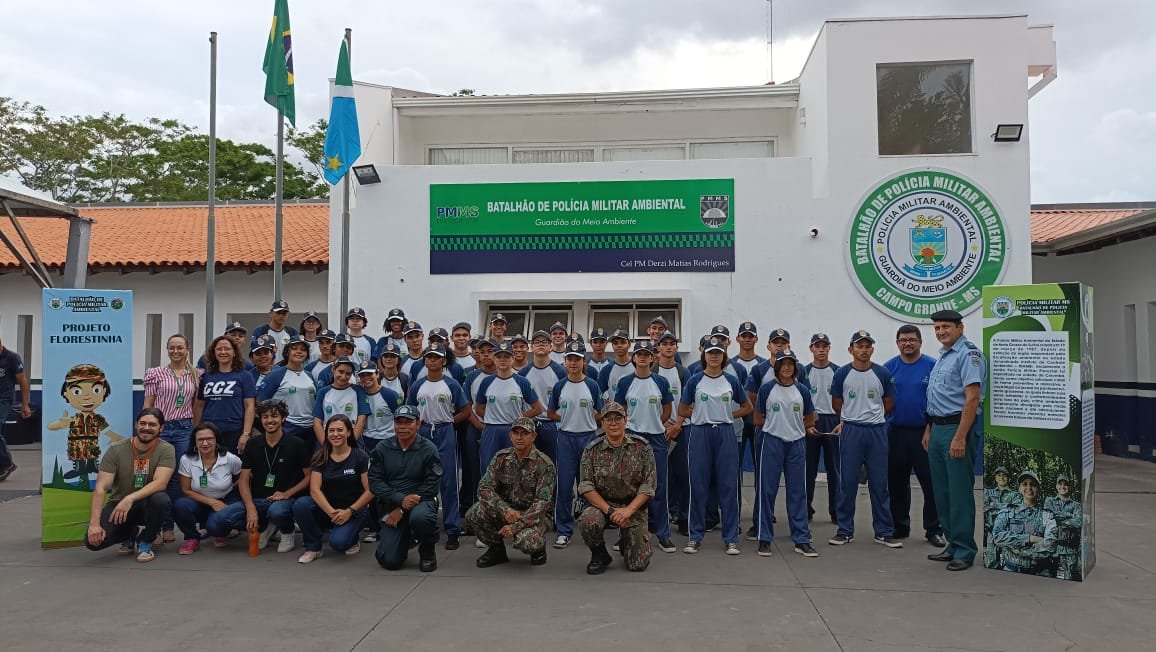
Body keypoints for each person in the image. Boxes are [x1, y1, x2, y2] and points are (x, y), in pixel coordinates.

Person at [677, 335, 753, 555]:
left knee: (728, 485)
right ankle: (695, 536)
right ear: (704, 355)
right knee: (698, 484)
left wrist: (728, 415)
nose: (714, 357)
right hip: (700, 433)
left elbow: (747, 407)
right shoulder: (695, 380)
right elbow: (682, 410)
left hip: (725, 433)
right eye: (710, 353)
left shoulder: (730, 381)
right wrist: (702, 412)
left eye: (718, 353)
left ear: (723, 356)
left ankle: (731, 538)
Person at [923, 309, 985, 571]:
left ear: (960, 327)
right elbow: (936, 397)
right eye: (937, 328)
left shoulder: (969, 355)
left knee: (958, 492)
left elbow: (972, 398)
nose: (941, 332)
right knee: (942, 491)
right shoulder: (943, 356)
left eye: (946, 327)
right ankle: (952, 542)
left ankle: (965, 549)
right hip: (938, 428)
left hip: (956, 428)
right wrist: (929, 429)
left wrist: (960, 436)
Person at [829, 330, 902, 549]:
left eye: (868, 346)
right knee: (848, 483)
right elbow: (836, 403)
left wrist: (872, 416)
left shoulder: (882, 373)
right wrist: (851, 418)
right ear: (851, 349)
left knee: (879, 484)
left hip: (876, 432)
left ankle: (883, 531)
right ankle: (844, 530)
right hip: (852, 431)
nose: (864, 350)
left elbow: (889, 402)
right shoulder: (842, 373)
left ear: (872, 349)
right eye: (859, 346)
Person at [213, 400, 311, 553]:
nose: (270, 420)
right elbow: (244, 480)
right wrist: (250, 508)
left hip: (285, 499)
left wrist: (287, 494)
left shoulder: (297, 443)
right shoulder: (252, 444)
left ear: (283, 418)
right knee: (218, 521)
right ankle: (266, 526)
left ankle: (287, 531)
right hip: (259, 499)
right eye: (265, 417)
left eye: (274, 416)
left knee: (277, 511)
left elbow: (309, 477)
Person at [84, 408, 176, 563]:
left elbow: (160, 483)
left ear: (161, 428)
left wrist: (130, 498)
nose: (146, 427)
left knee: (161, 500)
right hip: (118, 505)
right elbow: (101, 487)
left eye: (152, 425)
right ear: (136, 425)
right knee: (93, 543)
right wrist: (94, 524)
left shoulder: (166, 449)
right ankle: (128, 533)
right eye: (143, 423)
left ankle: (146, 540)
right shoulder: (116, 449)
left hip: (146, 504)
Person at [752, 351, 820, 558]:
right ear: (777, 367)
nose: (787, 367)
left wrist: (796, 428)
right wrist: (776, 426)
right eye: (783, 364)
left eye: (791, 364)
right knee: (767, 490)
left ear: (795, 367)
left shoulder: (802, 390)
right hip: (772, 442)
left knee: (798, 491)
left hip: (797, 444)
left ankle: (801, 539)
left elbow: (810, 417)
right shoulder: (766, 389)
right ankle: (764, 538)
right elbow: (757, 418)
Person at [883, 325, 946, 547]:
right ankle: (900, 525)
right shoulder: (888, 368)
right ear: (897, 342)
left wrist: (931, 428)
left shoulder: (933, 366)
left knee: (931, 484)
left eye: (912, 339)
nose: (907, 343)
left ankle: (934, 529)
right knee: (896, 483)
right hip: (895, 433)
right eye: (903, 340)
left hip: (925, 433)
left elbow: (939, 400)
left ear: (920, 342)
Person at [577, 401, 657, 574]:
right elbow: (585, 486)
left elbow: (648, 486)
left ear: (625, 421)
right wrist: (611, 511)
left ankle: (628, 539)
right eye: (608, 419)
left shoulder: (642, 448)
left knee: (637, 565)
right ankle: (600, 555)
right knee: (588, 520)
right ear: (602, 423)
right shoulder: (592, 450)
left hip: (633, 506)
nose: (613, 423)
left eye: (617, 419)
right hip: (603, 505)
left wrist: (628, 511)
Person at [468, 416, 557, 567]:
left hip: (534, 515)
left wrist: (515, 527)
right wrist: (505, 510)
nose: (519, 437)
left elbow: (542, 504)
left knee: (528, 542)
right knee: (474, 514)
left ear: (533, 436)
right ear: (510, 435)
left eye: (525, 433)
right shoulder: (501, 457)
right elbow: (484, 488)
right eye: (516, 433)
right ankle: (497, 551)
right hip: (507, 511)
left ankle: (539, 549)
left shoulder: (544, 464)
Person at [406, 344, 471, 549]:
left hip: (445, 431)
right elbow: (410, 410)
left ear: (444, 361)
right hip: (423, 432)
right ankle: (422, 526)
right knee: (420, 478)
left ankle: (452, 529)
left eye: (436, 357)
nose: (432, 360)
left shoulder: (451, 384)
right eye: (429, 357)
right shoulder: (417, 385)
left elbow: (466, 409)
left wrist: (451, 421)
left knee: (449, 480)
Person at [614, 342, 675, 553]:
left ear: (652, 358)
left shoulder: (660, 381)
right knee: (628, 488)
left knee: (658, 487)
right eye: (638, 354)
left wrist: (656, 423)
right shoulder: (625, 382)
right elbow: (619, 410)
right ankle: (625, 534)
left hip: (656, 438)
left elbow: (667, 408)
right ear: (633, 357)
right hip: (631, 437)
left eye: (646, 354)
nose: (642, 357)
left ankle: (662, 534)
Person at [142, 333, 200, 542]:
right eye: (171, 347)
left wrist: (195, 429)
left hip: (184, 428)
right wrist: (147, 427)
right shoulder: (156, 373)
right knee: (157, 476)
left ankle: (169, 526)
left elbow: (195, 405)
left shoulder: (195, 374)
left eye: (180, 347)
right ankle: (156, 526)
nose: (175, 351)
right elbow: (148, 402)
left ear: (187, 349)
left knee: (177, 478)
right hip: (161, 427)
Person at [369, 405, 441, 572]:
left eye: (408, 422)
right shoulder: (382, 449)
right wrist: (399, 501)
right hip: (392, 504)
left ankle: (427, 550)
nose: (402, 427)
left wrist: (403, 507)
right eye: (398, 422)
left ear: (418, 424)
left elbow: (432, 484)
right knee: (389, 561)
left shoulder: (428, 449)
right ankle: (406, 538)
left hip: (422, 501)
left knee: (421, 518)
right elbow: (375, 482)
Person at [293, 414, 374, 563]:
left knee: (339, 544)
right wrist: (332, 513)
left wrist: (349, 511)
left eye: (340, 430)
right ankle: (314, 548)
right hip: (328, 509)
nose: (335, 434)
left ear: (349, 432)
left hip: (353, 511)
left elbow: (370, 491)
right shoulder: (320, 456)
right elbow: (315, 490)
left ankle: (353, 538)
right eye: (331, 430)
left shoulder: (360, 457)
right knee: (301, 504)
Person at [548, 341, 603, 548]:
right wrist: (566, 419)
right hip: (565, 438)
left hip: (588, 438)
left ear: (583, 361)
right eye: (569, 359)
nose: (573, 363)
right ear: (565, 362)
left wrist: (588, 421)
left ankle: (592, 526)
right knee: (563, 485)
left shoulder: (592, 385)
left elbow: (601, 412)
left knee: (589, 485)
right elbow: (551, 412)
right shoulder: (560, 386)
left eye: (577, 359)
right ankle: (564, 529)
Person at [47, 364, 125, 486]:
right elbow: (50, 427)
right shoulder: (73, 418)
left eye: (96, 390)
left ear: (104, 392)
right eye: (77, 391)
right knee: (78, 455)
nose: (87, 397)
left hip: (91, 442)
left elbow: (104, 428)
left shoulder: (98, 418)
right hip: (76, 443)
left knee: (92, 454)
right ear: (67, 394)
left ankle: (93, 467)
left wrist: (114, 436)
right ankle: (79, 469)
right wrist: (61, 423)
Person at [173, 423, 243, 554]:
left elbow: (244, 477)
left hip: (225, 499)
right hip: (199, 500)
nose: (205, 443)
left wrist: (232, 499)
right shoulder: (186, 459)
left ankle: (219, 531)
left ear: (216, 440)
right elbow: (186, 490)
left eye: (209, 439)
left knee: (215, 527)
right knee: (180, 505)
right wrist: (212, 502)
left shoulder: (230, 459)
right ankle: (192, 538)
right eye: (200, 439)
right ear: (194, 441)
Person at [476, 341, 543, 470]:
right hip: (491, 430)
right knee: (488, 468)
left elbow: (537, 409)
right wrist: (493, 416)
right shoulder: (487, 382)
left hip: (514, 430)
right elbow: (479, 408)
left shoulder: (521, 382)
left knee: (514, 469)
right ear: (494, 359)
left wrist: (519, 418)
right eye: (499, 356)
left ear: (512, 359)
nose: (502, 360)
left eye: (506, 357)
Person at [192, 335, 257, 454]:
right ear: (214, 353)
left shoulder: (245, 376)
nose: (223, 352)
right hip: (209, 432)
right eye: (219, 349)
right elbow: (199, 405)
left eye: (227, 349)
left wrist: (246, 434)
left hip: (235, 432)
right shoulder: (206, 377)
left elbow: (250, 406)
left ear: (234, 352)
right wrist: (195, 431)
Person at [654, 331, 691, 535]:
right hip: (657, 430)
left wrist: (677, 424)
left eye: (672, 344)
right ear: (658, 348)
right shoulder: (651, 370)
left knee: (683, 475)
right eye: (664, 344)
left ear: (676, 347)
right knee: (658, 477)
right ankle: (659, 517)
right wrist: (663, 424)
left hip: (682, 429)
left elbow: (690, 401)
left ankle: (684, 517)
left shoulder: (683, 372)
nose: (668, 347)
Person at [991, 470, 1058, 576]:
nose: (1029, 488)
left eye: (1033, 484)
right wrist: (1030, 538)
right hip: (1011, 570)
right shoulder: (1008, 511)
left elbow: (1051, 545)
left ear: (1038, 488)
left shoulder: (1047, 514)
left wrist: (1021, 552)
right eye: (1024, 484)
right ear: (1019, 488)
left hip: (1040, 572)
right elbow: (997, 537)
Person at [804, 333, 840, 524]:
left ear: (829, 348)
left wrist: (842, 420)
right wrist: (805, 423)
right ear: (811, 349)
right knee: (808, 469)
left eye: (824, 346)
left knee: (834, 468)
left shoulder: (838, 371)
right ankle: (806, 510)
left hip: (832, 420)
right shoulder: (803, 371)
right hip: (811, 420)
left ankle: (836, 511)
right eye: (817, 346)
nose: (820, 350)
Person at [258, 334, 318, 447]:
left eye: (303, 350)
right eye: (294, 348)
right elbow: (261, 402)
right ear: (287, 352)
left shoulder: (310, 376)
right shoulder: (275, 375)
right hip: (287, 428)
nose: (299, 352)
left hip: (310, 429)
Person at [461, 338, 496, 529]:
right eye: (483, 352)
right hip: (475, 428)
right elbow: (467, 406)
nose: (486, 355)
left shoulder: (507, 376)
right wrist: (481, 427)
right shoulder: (472, 377)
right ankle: (477, 515)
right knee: (475, 472)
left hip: (500, 430)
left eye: (491, 351)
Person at [518, 330, 566, 461]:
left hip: (552, 425)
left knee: (552, 464)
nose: (541, 345)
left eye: (544, 342)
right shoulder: (523, 373)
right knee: (528, 464)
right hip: (529, 425)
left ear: (551, 346)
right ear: (531, 347)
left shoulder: (560, 371)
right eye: (537, 342)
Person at [311, 357, 369, 446]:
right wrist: (325, 445)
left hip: (352, 441)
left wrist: (350, 444)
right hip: (329, 439)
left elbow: (361, 419)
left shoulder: (358, 390)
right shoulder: (323, 392)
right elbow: (317, 422)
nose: (343, 377)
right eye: (341, 372)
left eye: (348, 374)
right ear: (333, 369)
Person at [0, 337, 31, 481]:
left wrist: (25, 404)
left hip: (4, 400)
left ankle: (6, 463)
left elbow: (23, 381)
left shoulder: (12, 358)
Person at [1044, 474, 1083, 580]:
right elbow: (1048, 518)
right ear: (1056, 486)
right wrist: (1069, 517)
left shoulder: (1076, 505)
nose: (1063, 487)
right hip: (1052, 545)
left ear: (1069, 487)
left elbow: (1078, 522)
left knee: (1070, 577)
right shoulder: (1050, 500)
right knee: (1048, 575)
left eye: (1065, 484)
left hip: (1069, 548)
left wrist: (1059, 519)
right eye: (1060, 484)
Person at [982, 466, 1022, 567]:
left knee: (1011, 563)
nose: (1002, 478)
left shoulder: (1015, 495)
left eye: (1004, 475)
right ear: (995, 478)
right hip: (991, 531)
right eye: (999, 475)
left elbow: (1015, 510)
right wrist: (1006, 506)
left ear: (1008, 478)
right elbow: (984, 508)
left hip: (1008, 532)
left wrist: (993, 505)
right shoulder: (988, 492)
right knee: (991, 563)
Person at [596, 328, 634, 398]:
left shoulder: (638, 367)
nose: (619, 345)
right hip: (615, 409)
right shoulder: (606, 370)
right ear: (612, 346)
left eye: (623, 342)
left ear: (629, 344)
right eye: (615, 343)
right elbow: (598, 395)